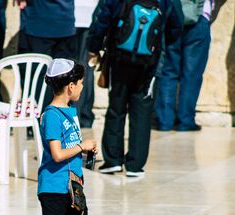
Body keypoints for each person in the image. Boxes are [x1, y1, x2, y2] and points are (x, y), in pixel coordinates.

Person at [87, 0, 183, 178]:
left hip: (119, 58)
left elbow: (102, 18)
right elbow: (176, 26)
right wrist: (158, 45)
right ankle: (135, 165)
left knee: (116, 108)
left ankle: (113, 161)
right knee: (142, 112)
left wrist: (93, 47)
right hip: (149, 63)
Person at [38, 59, 98, 215]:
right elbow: (57, 154)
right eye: (81, 83)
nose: (83, 88)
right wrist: (80, 145)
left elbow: (69, 150)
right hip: (53, 185)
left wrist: (85, 152)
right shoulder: (51, 115)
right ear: (70, 86)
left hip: (73, 184)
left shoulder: (70, 112)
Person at [155, 0, 214, 131]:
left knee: (168, 71)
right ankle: (186, 121)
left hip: (171, 17)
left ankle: (164, 121)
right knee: (192, 75)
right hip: (199, 19)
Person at [16, 0, 76, 110]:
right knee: (63, 78)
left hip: (39, 25)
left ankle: (40, 120)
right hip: (64, 23)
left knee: (38, 77)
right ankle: (60, 120)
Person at [73, 0, 99, 128]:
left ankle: (76, 114)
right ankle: (85, 115)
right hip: (91, 14)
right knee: (86, 68)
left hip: (70, 14)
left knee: (74, 68)